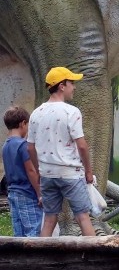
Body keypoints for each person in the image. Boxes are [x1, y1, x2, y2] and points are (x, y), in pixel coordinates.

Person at [27, 66, 96, 236]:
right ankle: (96, 257)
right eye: (71, 82)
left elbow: (30, 147)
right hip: (70, 174)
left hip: (47, 175)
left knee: (49, 219)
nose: (74, 87)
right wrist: (88, 172)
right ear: (61, 86)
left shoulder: (36, 113)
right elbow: (81, 145)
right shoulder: (71, 112)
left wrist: (40, 171)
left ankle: (42, 259)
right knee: (83, 218)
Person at [2, 106, 43, 236]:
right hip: (27, 193)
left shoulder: (6, 145)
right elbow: (31, 171)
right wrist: (39, 193)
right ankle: (36, 256)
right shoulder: (22, 145)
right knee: (33, 230)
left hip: (12, 192)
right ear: (23, 123)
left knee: (18, 232)